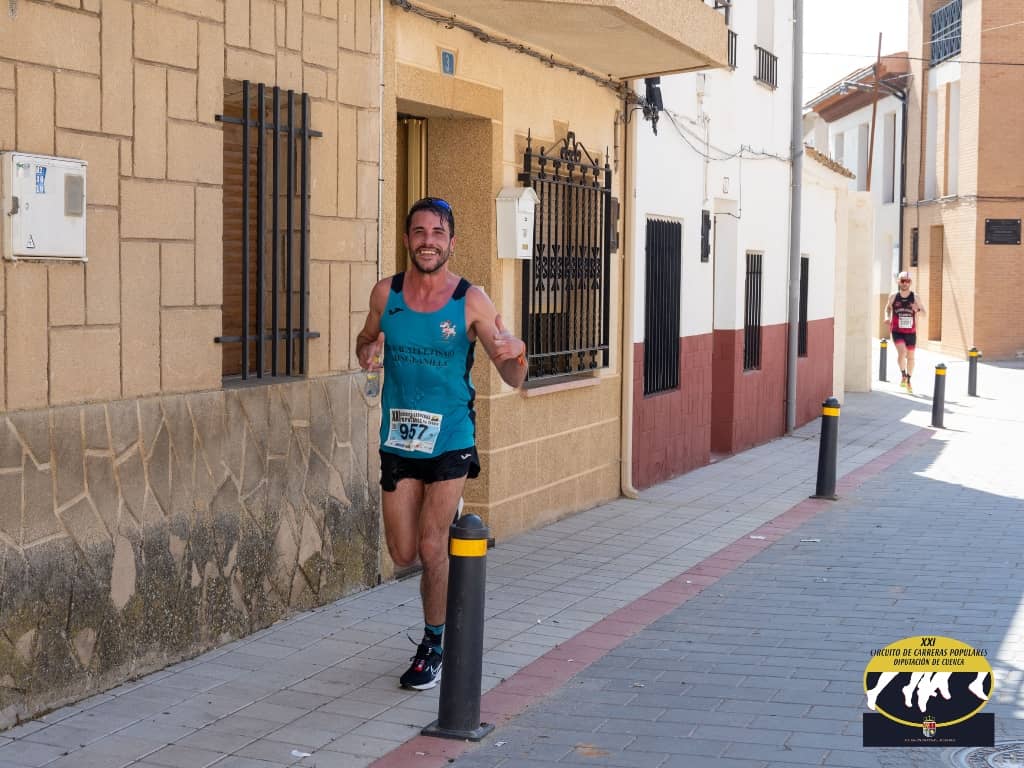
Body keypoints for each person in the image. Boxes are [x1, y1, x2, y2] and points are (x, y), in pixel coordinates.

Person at [355, 196, 528, 690]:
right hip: (399, 437)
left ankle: (434, 645)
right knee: (403, 552)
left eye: (437, 233)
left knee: (433, 545)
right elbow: (365, 340)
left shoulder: (471, 300)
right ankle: (444, 539)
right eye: (419, 232)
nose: (427, 241)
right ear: (407, 239)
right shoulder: (385, 294)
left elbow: (512, 375)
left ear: (452, 242)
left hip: (451, 435)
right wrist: (367, 351)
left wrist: (518, 353)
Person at [884, 271, 926, 393]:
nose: (905, 283)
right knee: (902, 353)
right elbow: (887, 308)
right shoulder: (893, 296)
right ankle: (903, 374)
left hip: (911, 332)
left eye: (907, 281)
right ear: (898, 282)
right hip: (897, 331)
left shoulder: (915, 297)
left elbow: (924, 314)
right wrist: (887, 317)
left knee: (911, 357)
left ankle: (908, 379)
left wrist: (917, 310)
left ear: (910, 283)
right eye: (902, 281)